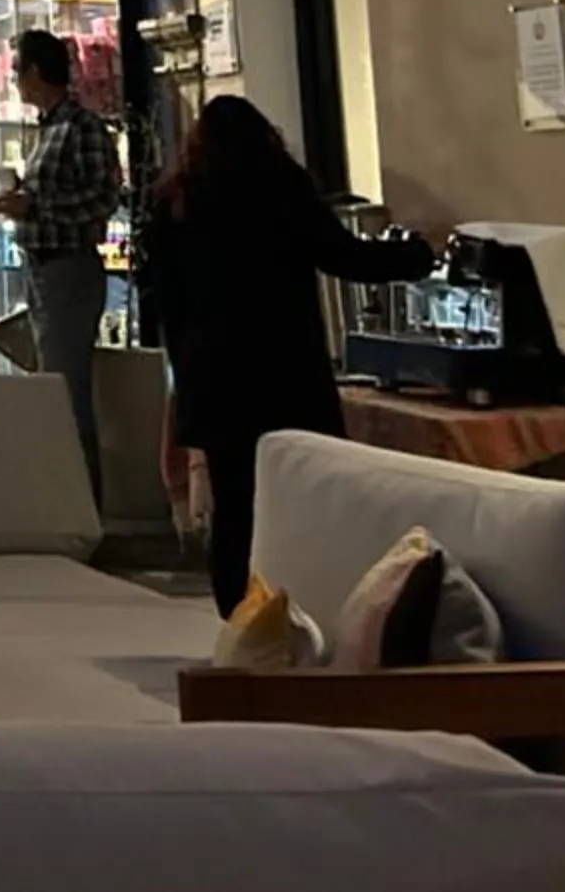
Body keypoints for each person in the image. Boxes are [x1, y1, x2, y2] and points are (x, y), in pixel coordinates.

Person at [142, 95, 434, 615]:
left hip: (214, 381)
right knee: (307, 498)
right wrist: (416, 255)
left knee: (236, 511)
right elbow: (343, 256)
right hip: (284, 374)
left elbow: (167, 306)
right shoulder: (278, 185)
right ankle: (307, 610)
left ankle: (238, 621)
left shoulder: (173, 203)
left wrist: (186, 379)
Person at [0, 29, 122, 503]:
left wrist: (38, 207)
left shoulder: (81, 127)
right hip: (41, 268)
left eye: (17, 71)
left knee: (67, 392)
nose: (13, 81)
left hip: (69, 270)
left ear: (34, 72)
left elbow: (103, 195)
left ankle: (85, 505)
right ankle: (61, 499)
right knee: (52, 387)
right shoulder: (46, 127)